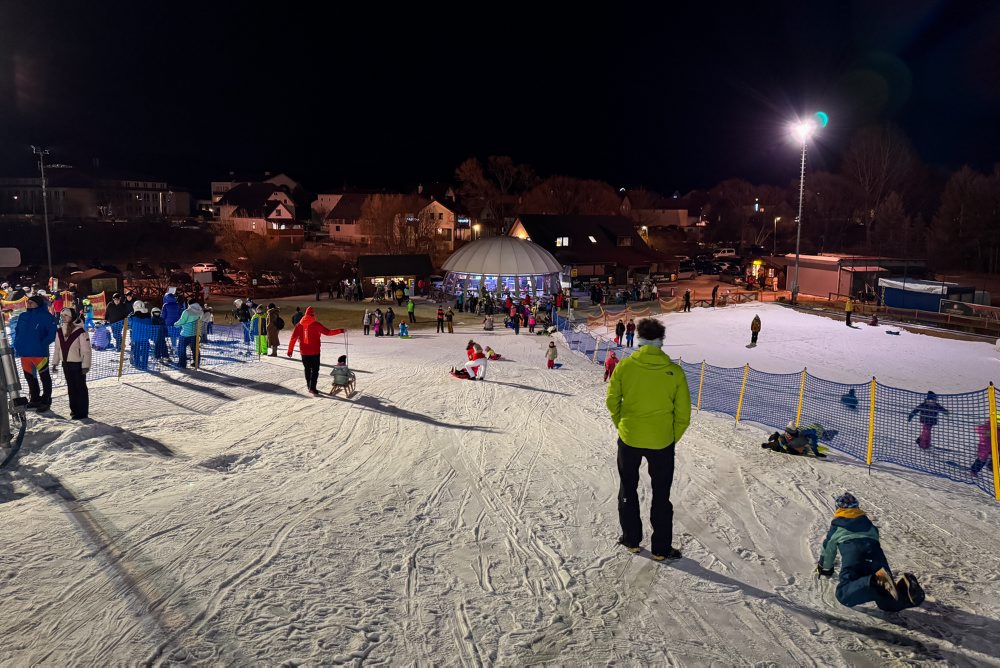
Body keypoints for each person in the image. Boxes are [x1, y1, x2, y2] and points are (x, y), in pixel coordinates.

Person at [606, 318, 691, 560]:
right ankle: (661, 549)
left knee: (628, 488)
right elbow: (683, 414)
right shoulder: (674, 371)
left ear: (640, 340)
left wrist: (623, 425)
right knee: (661, 494)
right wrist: (670, 437)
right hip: (662, 442)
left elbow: (612, 400)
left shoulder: (625, 366)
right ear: (660, 341)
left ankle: (631, 540)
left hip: (630, 438)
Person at [816, 493, 924, 611]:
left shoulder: (838, 525)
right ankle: (905, 589)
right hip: (877, 557)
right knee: (888, 602)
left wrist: (825, 569)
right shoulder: (869, 524)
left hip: (855, 557)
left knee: (843, 594)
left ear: (839, 508)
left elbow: (828, 549)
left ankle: (875, 580)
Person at [13, 294, 58, 412]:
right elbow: (17, 331)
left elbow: (52, 333)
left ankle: (46, 400)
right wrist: (17, 344)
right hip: (24, 353)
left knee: (44, 377)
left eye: (31, 302)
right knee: (30, 377)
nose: (28, 303)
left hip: (39, 353)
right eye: (28, 302)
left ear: (38, 303)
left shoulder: (46, 316)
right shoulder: (23, 315)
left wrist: (42, 344)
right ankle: (35, 399)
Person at [287, 306, 345, 395]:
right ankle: (312, 387)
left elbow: (293, 338)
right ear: (313, 314)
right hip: (315, 352)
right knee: (315, 370)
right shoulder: (316, 324)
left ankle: (309, 385)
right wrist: (340, 330)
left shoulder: (299, 325)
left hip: (304, 352)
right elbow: (328, 332)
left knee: (307, 369)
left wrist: (290, 350)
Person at [52, 306, 92, 419]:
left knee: (80, 388)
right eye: (62, 316)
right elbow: (57, 348)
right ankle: (74, 410)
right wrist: (55, 363)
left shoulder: (80, 331)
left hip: (77, 364)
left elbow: (86, 350)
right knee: (71, 388)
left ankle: (82, 412)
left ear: (72, 317)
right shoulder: (60, 331)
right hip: (66, 365)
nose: (64, 318)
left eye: (66, 315)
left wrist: (85, 365)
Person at [762, 421, 828, 457]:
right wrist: (787, 448)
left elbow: (812, 440)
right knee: (776, 446)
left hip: (790, 443)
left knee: (780, 446)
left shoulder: (800, 434)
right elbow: (782, 440)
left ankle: (775, 437)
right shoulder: (786, 435)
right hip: (783, 443)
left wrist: (816, 453)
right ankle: (773, 438)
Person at [173, 302, 204, 369]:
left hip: (185, 334)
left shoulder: (187, 311)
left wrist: (175, 324)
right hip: (195, 334)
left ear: (189, 304)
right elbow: (201, 322)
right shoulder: (200, 312)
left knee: (181, 349)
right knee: (195, 349)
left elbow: (182, 321)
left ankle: (182, 363)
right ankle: (196, 363)